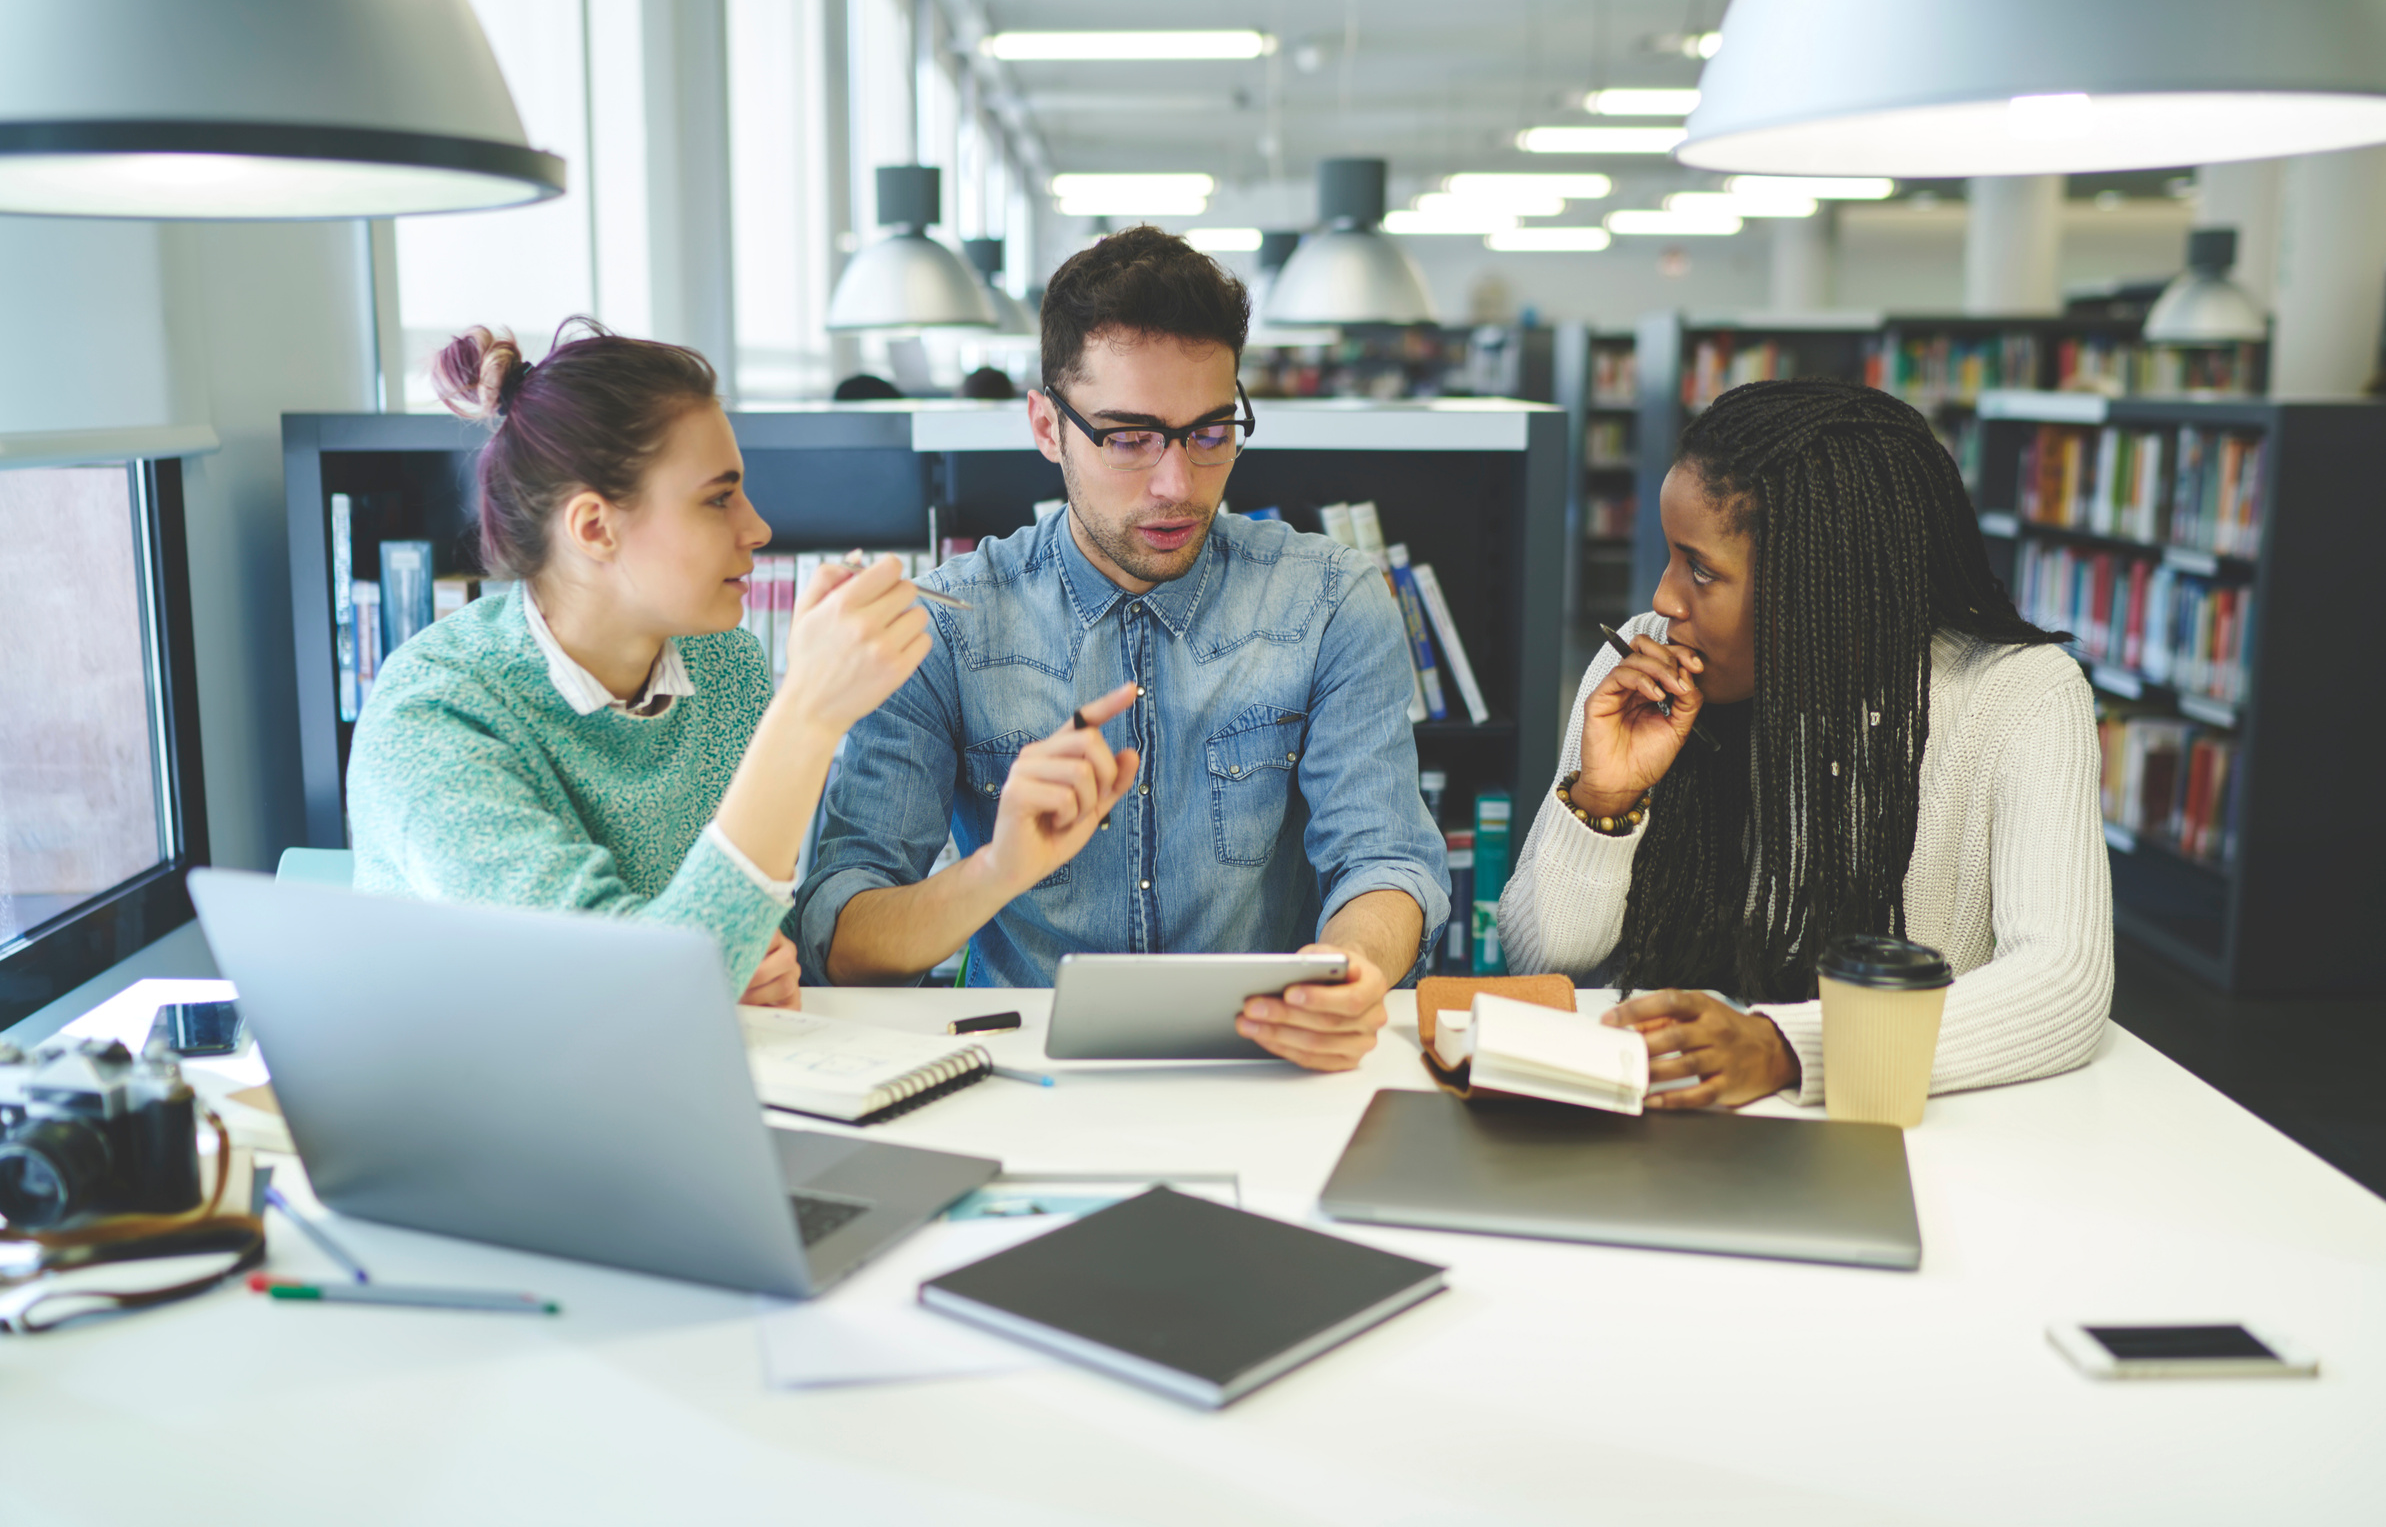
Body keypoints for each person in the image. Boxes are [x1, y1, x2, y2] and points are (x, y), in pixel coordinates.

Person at [794, 226, 1448, 1071]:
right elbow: (840, 930)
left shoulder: (1330, 601)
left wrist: (1354, 968)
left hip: (1260, 1069)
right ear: (1045, 426)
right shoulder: (949, 620)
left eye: (1210, 432)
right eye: (1129, 437)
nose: (1177, 483)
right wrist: (997, 867)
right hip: (1021, 1074)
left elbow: (1385, 856)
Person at [1499, 377, 2111, 1109]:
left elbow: (2063, 983)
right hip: (1661, 1110)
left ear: (1826, 582)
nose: (1663, 600)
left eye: (1700, 570)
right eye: (1670, 557)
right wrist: (1603, 800)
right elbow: (1538, 958)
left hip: (1890, 1130)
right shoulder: (1641, 668)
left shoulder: (2023, 696)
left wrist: (1785, 1047)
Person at [347, 319, 931, 1007]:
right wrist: (807, 714)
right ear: (594, 527)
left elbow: (726, 938)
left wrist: (762, 958)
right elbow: (626, 992)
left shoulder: (723, 666)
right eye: (718, 499)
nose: (757, 529)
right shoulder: (432, 719)